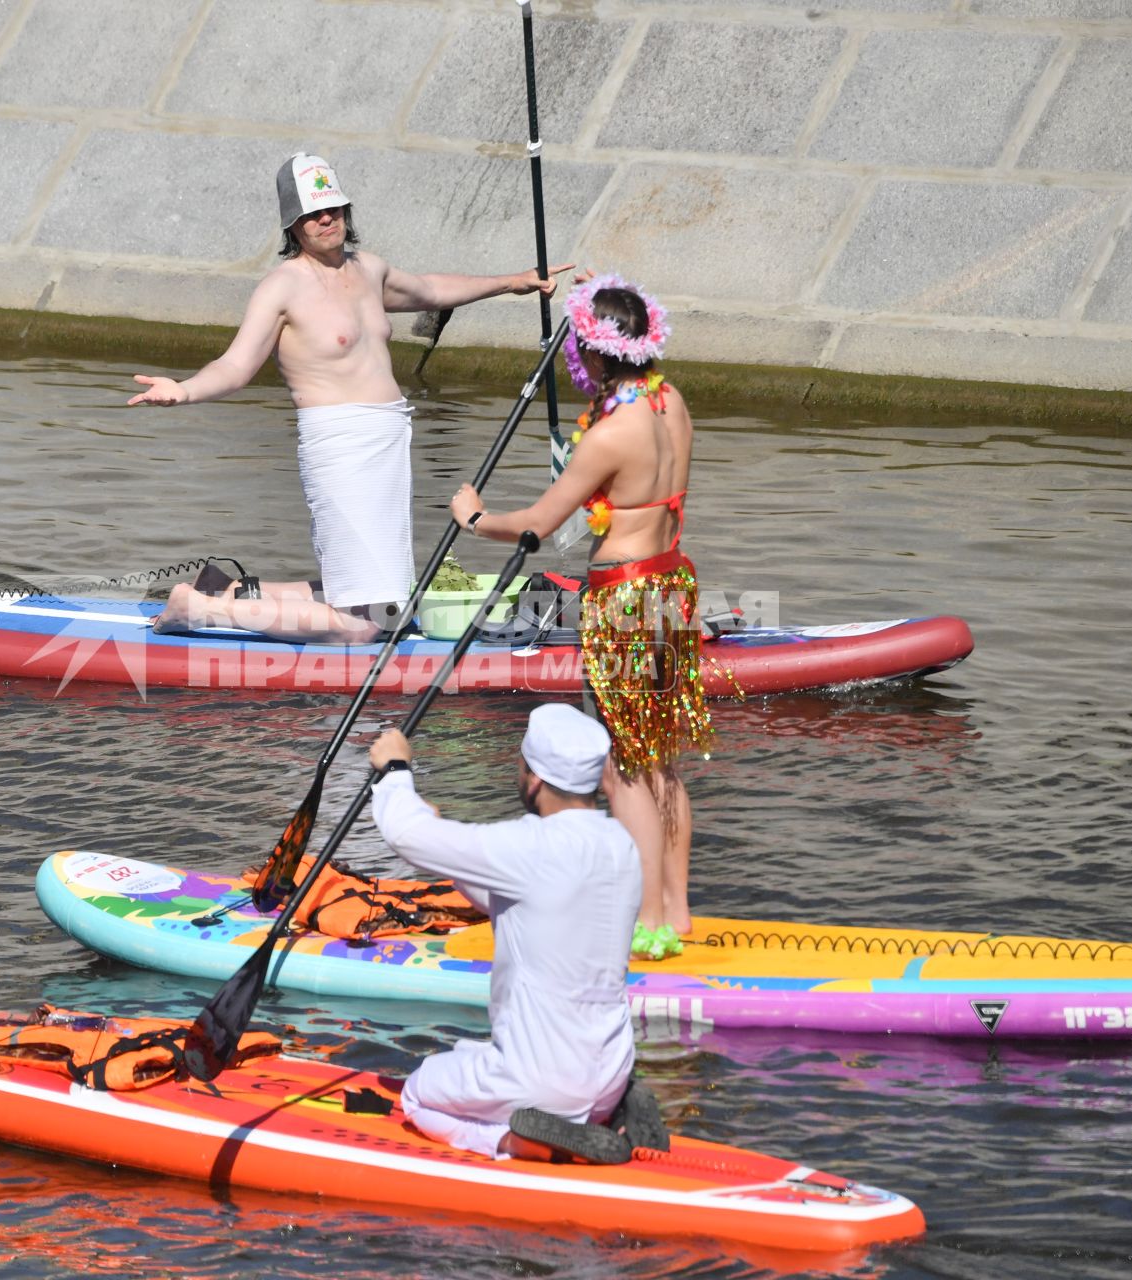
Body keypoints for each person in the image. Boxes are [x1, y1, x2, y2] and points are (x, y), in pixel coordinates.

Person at [129, 152, 570, 644]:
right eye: (313, 213)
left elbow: (430, 289)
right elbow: (236, 366)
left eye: (333, 207)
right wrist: (182, 390)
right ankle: (200, 608)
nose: (326, 218)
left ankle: (228, 590)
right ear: (293, 225)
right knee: (366, 627)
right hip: (339, 447)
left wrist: (512, 282)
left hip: (388, 441)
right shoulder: (282, 288)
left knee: (390, 603)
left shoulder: (368, 270)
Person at [449, 274, 715, 960]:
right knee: (661, 759)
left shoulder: (610, 434)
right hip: (671, 586)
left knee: (625, 767)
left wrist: (476, 519)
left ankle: (646, 918)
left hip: (624, 598)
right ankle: (678, 909)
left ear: (595, 356)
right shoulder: (672, 403)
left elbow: (538, 523)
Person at [369, 704, 660, 1163]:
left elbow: (403, 832)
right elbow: (521, 900)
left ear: (535, 779)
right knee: (489, 1060)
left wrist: (395, 767)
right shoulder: (619, 845)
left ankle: (512, 1141)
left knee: (419, 1092)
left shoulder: (526, 847)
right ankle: (613, 1112)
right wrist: (447, 847)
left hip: (544, 1083)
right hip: (612, 1071)